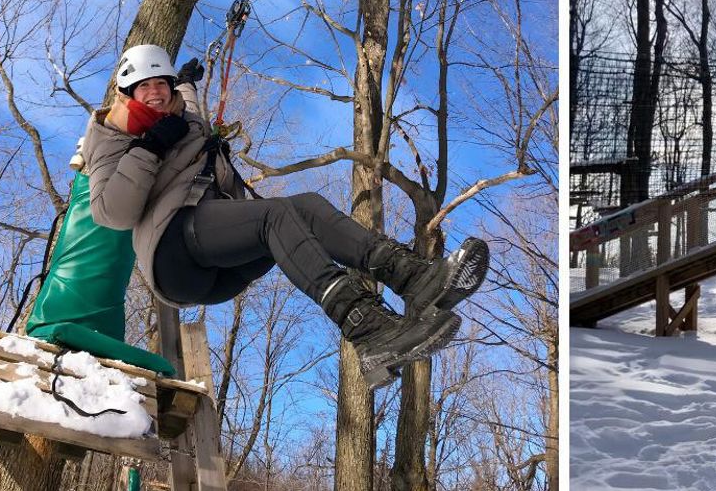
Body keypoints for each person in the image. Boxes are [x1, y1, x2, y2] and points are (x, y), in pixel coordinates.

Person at [83, 44, 488, 387]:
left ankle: (414, 277)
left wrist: (188, 78)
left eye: (161, 84)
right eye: (143, 87)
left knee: (306, 207)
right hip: (172, 253)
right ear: (124, 93)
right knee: (273, 217)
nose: (155, 93)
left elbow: (185, 96)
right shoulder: (111, 135)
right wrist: (150, 147)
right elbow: (110, 213)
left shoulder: (182, 113)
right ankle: (367, 328)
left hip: (218, 267)